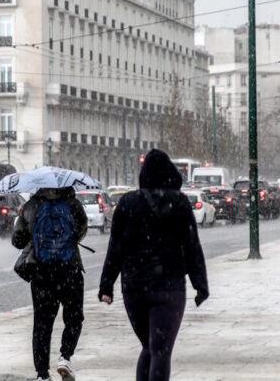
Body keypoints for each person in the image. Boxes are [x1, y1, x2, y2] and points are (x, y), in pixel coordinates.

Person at [98, 149, 209, 381]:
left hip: (134, 287)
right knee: (160, 350)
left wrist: (106, 285)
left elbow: (115, 248)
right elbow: (192, 246)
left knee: (149, 347)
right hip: (169, 287)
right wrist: (200, 284)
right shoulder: (179, 202)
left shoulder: (127, 203)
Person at [12, 187, 88, 381]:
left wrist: (24, 218)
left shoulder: (32, 206)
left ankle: (42, 374)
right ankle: (65, 357)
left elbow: (18, 241)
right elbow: (80, 232)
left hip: (42, 272)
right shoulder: (73, 204)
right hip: (69, 269)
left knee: (42, 324)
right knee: (74, 317)